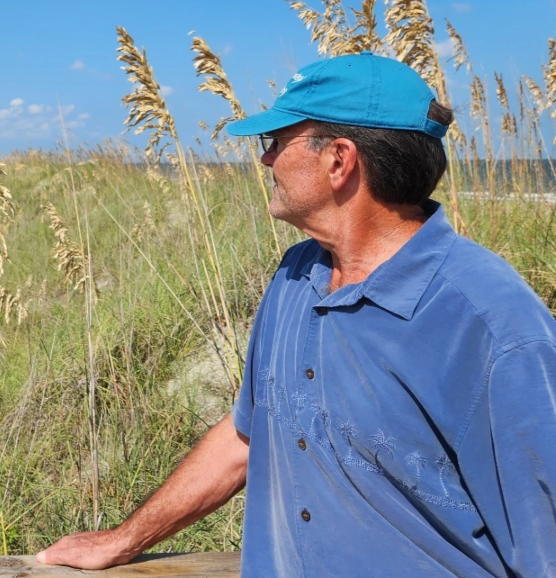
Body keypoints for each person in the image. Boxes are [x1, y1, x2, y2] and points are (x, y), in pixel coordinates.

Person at [37, 51, 556, 576]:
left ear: (338, 160)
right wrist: (124, 540)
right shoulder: (295, 276)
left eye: (276, 143)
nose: (265, 160)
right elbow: (247, 434)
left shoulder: (493, 324)